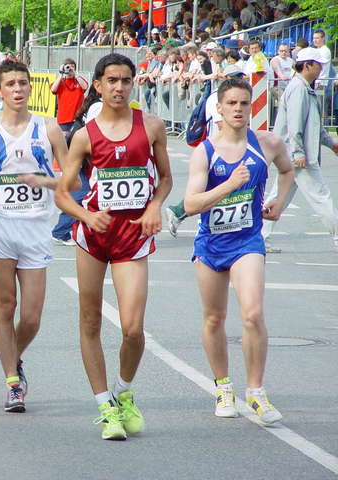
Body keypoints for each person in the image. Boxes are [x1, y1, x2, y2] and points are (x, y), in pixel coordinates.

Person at [55, 53, 173, 440]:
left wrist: (154, 206)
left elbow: (166, 179)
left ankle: (123, 392)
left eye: (125, 80)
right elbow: (62, 194)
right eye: (111, 80)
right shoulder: (85, 135)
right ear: (98, 86)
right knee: (90, 321)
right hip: (93, 236)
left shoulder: (151, 126)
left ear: (133, 83)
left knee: (133, 329)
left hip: (133, 236)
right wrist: (86, 217)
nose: (119, 87)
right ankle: (105, 406)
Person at [183, 77, 294, 424]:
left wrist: (279, 203)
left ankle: (256, 392)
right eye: (231, 103)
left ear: (251, 107)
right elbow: (190, 204)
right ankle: (223, 387)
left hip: (248, 241)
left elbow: (288, 170)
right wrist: (230, 185)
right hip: (211, 244)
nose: (238, 109)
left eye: (244, 103)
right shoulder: (206, 151)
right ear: (219, 108)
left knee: (253, 314)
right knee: (214, 318)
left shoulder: (267, 143)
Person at [0, 61, 69, 413]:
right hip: (1, 229)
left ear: (30, 88)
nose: (18, 89)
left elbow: (72, 178)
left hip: (36, 229)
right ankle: (13, 382)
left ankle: (13, 356)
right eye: (10, 84)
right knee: (5, 306)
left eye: (23, 83)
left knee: (31, 318)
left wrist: (45, 181)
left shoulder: (49, 129)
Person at [262, 48, 338, 252]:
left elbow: (314, 125)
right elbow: (295, 124)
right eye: (318, 65)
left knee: (279, 197)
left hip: (292, 155)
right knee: (321, 197)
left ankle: (259, 237)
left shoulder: (303, 88)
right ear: (307, 65)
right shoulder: (298, 89)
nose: (321, 68)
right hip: (298, 157)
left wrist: (331, 143)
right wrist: (298, 153)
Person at [165, 64, 246, 236]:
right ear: (225, 78)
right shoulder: (216, 97)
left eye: (240, 77)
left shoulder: (236, 96)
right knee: (213, 188)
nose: (237, 80)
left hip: (228, 148)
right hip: (215, 149)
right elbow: (222, 124)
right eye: (234, 77)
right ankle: (184, 215)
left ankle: (179, 213)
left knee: (216, 188)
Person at [51, 85, 100, 246]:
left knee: (85, 192)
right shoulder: (98, 107)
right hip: (81, 155)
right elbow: (94, 135)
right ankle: (61, 231)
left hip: (80, 153)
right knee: (82, 193)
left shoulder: (94, 104)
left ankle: (76, 228)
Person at [50, 58, 88, 135]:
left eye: (72, 67)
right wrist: (61, 74)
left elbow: (85, 87)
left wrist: (75, 74)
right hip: (63, 119)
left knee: (77, 140)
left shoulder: (79, 81)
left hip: (77, 119)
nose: (70, 69)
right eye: (67, 67)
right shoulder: (60, 82)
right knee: (64, 141)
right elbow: (53, 89)